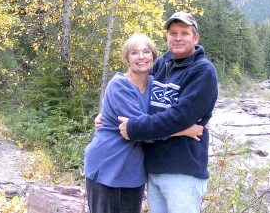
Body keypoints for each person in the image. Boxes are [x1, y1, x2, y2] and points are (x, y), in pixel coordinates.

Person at [84, 33, 204, 213]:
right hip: (108, 165)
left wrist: (200, 117)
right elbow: (142, 129)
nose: (141, 57)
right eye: (134, 53)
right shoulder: (119, 85)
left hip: (133, 172)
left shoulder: (155, 85)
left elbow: (171, 114)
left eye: (146, 52)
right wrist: (185, 130)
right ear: (126, 58)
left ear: (154, 57)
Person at [118, 12, 218, 213]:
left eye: (184, 33)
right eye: (173, 33)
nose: (178, 37)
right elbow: (137, 98)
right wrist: (108, 115)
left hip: (183, 171)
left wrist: (134, 128)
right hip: (153, 167)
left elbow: (178, 117)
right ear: (166, 37)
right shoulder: (161, 64)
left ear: (195, 38)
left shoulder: (203, 71)